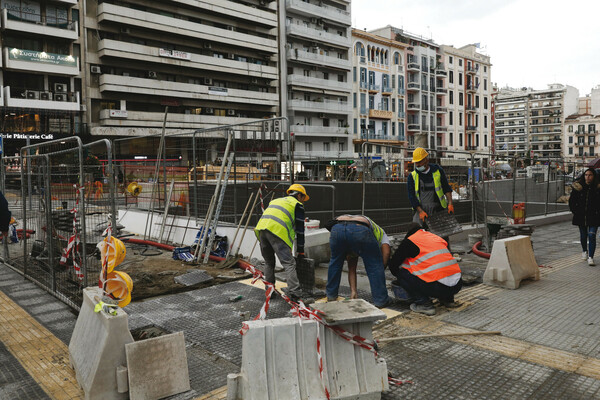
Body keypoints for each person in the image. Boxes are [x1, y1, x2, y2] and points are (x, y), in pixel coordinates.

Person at [388, 223, 463, 316]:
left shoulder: (410, 241)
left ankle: (424, 304)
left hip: (437, 288)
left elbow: (393, 265)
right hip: (457, 285)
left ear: (408, 233)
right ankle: (448, 300)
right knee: (440, 270)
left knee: (401, 273)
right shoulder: (435, 237)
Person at [254, 184, 309, 301]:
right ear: (299, 195)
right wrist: (301, 251)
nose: (303, 201)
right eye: (303, 198)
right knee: (289, 263)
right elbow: (300, 231)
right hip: (276, 231)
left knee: (269, 263)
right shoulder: (297, 205)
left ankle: (269, 291)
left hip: (261, 230)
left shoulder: (276, 201)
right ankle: (294, 292)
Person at [325, 215, 391, 308]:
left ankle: (331, 295)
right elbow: (387, 253)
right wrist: (380, 269)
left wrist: (353, 291)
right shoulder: (381, 233)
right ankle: (381, 301)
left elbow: (351, 268)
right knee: (374, 266)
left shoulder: (351, 245)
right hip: (359, 229)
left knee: (335, 263)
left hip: (337, 228)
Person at [407, 147, 454, 225]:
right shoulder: (412, 176)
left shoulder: (438, 171)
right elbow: (412, 197)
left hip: (438, 209)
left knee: (441, 233)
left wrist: (450, 203)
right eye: (416, 162)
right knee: (418, 233)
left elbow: (446, 188)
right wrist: (420, 212)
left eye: (420, 162)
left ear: (426, 160)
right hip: (421, 210)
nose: (417, 165)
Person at [568, 168, 600, 266]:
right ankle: (584, 251)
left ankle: (591, 257)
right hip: (581, 216)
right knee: (583, 235)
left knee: (591, 235)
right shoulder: (578, 187)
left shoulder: (597, 188)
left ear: (594, 176)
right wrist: (576, 211)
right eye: (586, 175)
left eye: (590, 175)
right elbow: (572, 202)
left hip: (594, 216)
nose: (588, 177)